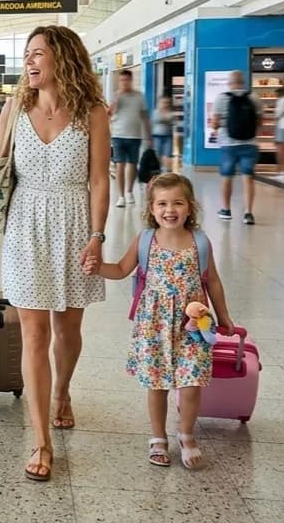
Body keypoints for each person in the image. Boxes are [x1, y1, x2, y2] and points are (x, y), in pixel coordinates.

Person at [0, 25, 109, 483]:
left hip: (74, 224)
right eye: (27, 54)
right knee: (32, 334)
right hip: (25, 224)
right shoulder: (15, 107)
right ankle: (41, 438)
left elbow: (100, 179)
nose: (29, 62)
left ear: (62, 60)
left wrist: (98, 235)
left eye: (38, 54)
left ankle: (62, 391)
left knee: (67, 329)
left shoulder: (92, 113)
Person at [85, 174, 234, 469]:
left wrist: (224, 316)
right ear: (151, 209)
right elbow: (122, 269)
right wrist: (98, 267)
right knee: (158, 384)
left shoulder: (200, 241)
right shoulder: (145, 240)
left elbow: (213, 281)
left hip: (192, 327)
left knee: (191, 383)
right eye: (162, 204)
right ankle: (157, 437)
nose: (170, 210)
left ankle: (187, 435)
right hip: (153, 325)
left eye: (178, 203)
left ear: (190, 207)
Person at [211, 70, 262, 225]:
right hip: (250, 143)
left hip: (228, 144)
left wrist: (217, 127)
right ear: (243, 82)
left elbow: (214, 123)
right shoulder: (254, 98)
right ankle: (248, 213)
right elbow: (260, 121)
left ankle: (226, 210)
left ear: (230, 82)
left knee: (227, 177)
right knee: (248, 178)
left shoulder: (221, 98)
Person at [108, 69, 150, 207]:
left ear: (131, 80)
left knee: (132, 164)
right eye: (122, 80)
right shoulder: (116, 96)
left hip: (135, 135)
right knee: (120, 164)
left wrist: (148, 135)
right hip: (118, 135)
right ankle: (121, 196)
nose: (124, 83)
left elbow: (144, 116)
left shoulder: (139, 96)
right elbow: (108, 113)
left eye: (126, 80)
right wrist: (117, 99)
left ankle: (129, 191)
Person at [150, 95, 175, 172]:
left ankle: (166, 170)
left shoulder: (171, 113)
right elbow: (155, 120)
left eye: (167, 102)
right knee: (158, 154)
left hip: (168, 136)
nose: (165, 104)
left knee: (167, 154)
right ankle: (159, 169)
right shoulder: (155, 112)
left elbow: (171, 120)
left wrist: (165, 118)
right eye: (163, 102)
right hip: (157, 136)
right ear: (159, 103)